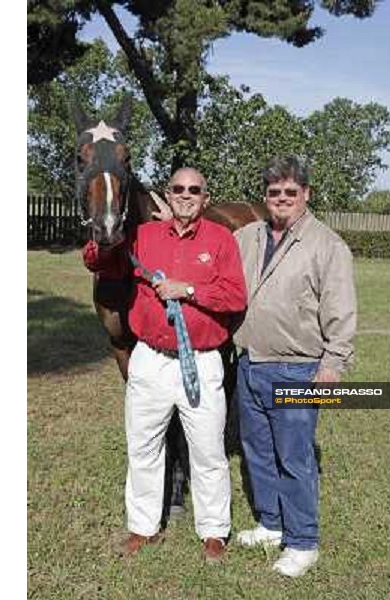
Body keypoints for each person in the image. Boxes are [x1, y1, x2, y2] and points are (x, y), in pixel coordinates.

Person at [83, 167, 247, 562]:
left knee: (208, 451)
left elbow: (235, 298)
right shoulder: (143, 236)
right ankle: (143, 526)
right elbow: (98, 261)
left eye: (195, 190)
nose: (186, 195)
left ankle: (213, 531)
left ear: (206, 198)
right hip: (150, 361)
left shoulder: (221, 240)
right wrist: (101, 237)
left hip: (202, 362)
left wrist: (187, 289)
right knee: (143, 447)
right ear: (167, 196)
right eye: (178, 189)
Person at [233, 155, 357, 577]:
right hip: (250, 364)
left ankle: (303, 541)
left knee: (295, 457)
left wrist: (333, 366)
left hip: (299, 370)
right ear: (265, 196)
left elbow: (341, 311)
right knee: (258, 452)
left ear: (306, 194)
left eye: (290, 192)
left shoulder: (327, 245)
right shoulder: (247, 236)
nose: (281, 199)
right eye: (274, 192)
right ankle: (270, 523)